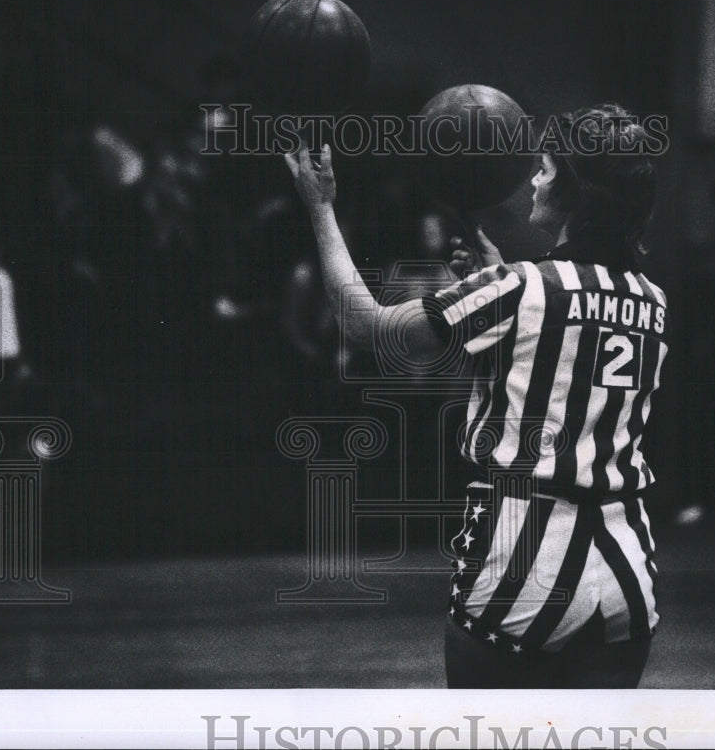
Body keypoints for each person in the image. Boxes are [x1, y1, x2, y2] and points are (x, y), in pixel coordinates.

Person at [285, 103, 668, 688]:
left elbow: (364, 324)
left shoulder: (516, 288)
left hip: (522, 566)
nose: (535, 180)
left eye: (544, 170)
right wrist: (501, 274)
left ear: (577, 192)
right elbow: (566, 333)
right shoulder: (651, 299)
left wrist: (320, 207)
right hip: (626, 572)